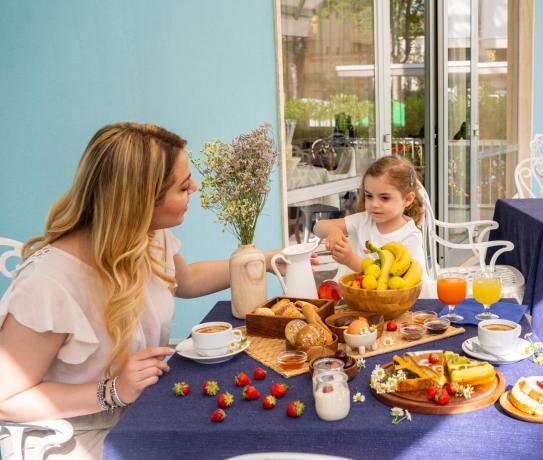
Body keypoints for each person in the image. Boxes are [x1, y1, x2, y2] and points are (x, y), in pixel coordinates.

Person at [0, 122, 293, 459]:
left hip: (147, 409)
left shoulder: (147, 236)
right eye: (183, 187)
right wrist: (111, 391)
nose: (194, 189)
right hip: (82, 437)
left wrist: (266, 260)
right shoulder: (47, 284)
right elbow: (6, 400)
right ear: (140, 201)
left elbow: (188, 280)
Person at [313, 155, 432, 297]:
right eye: (369, 196)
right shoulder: (364, 220)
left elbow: (394, 281)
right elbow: (318, 227)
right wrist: (333, 230)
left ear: (407, 199)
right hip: (357, 298)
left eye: (384, 198)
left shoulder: (410, 236)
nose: (374, 204)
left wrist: (350, 260)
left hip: (392, 302)